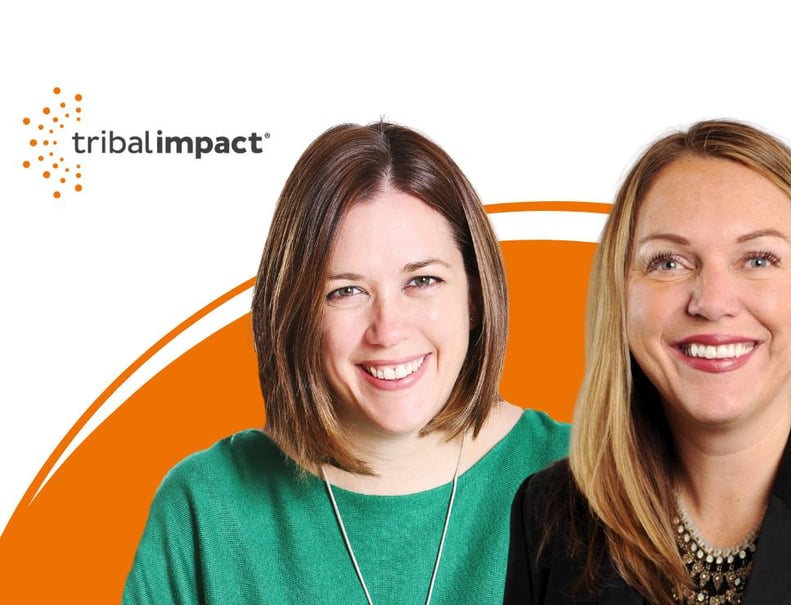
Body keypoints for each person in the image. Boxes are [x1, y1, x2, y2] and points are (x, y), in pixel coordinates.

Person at [505, 120, 791, 604]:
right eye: (668, 262)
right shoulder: (548, 514)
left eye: (758, 259)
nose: (712, 302)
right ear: (620, 296)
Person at [124, 122, 569, 604]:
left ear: (475, 297)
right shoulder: (204, 509)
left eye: (422, 281)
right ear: (297, 313)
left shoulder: (591, 476)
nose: (388, 330)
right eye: (346, 291)